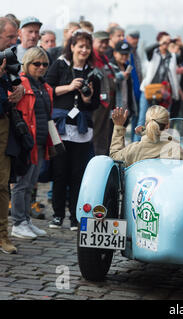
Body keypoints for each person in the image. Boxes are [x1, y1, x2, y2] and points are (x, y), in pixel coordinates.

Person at [45, 30, 101, 231]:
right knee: (60, 172)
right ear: (72, 47)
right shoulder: (59, 65)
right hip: (61, 126)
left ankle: (75, 217)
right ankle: (58, 214)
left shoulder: (93, 72)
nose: (84, 50)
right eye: (80, 46)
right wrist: (68, 87)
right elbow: (47, 89)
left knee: (78, 174)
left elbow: (95, 104)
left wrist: (87, 99)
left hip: (82, 128)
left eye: (87, 46)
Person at [10, 47, 53, 239]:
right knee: (21, 184)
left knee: (30, 184)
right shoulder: (22, 83)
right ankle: (18, 223)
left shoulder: (44, 87)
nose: (41, 67)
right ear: (27, 64)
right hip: (26, 142)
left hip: (40, 142)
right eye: (37, 64)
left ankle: (26, 220)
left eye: (44, 64)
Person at [0, 17, 22, 254]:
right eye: (9, 37)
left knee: (2, 183)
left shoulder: (8, 56)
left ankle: (2, 235)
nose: (14, 41)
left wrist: (19, 89)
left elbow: (15, 82)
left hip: (3, 123)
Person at [110, 106, 183, 167]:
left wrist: (118, 126)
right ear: (168, 125)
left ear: (146, 124)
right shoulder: (176, 149)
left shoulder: (135, 149)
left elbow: (115, 158)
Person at [138, 32, 183, 129]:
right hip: (149, 90)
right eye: (164, 41)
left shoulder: (172, 56)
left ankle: (159, 142)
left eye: (168, 42)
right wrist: (160, 43)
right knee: (143, 119)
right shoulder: (153, 53)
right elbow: (147, 50)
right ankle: (139, 142)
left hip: (164, 92)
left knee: (162, 121)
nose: (166, 44)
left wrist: (180, 44)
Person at [91, 31, 116, 156]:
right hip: (98, 103)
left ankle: (101, 159)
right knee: (95, 134)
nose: (104, 45)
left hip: (107, 102)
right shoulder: (91, 57)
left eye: (106, 42)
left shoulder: (104, 58)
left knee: (104, 134)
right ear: (93, 42)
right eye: (101, 42)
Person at [110, 40, 137, 126]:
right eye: (122, 54)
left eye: (126, 54)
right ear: (115, 53)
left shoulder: (126, 67)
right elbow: (109, 84)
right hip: (114, 112)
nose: (124, 57)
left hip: (126, 111)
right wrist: (120, 76)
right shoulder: (110, 67)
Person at [126, 31, 144, 142]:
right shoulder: (126, 51)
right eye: (133, 37)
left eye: (137, 38)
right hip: (128, 91)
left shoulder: (135, 51)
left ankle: (134, 143)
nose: (135, 40)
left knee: (136, 119)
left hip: (137, 90)